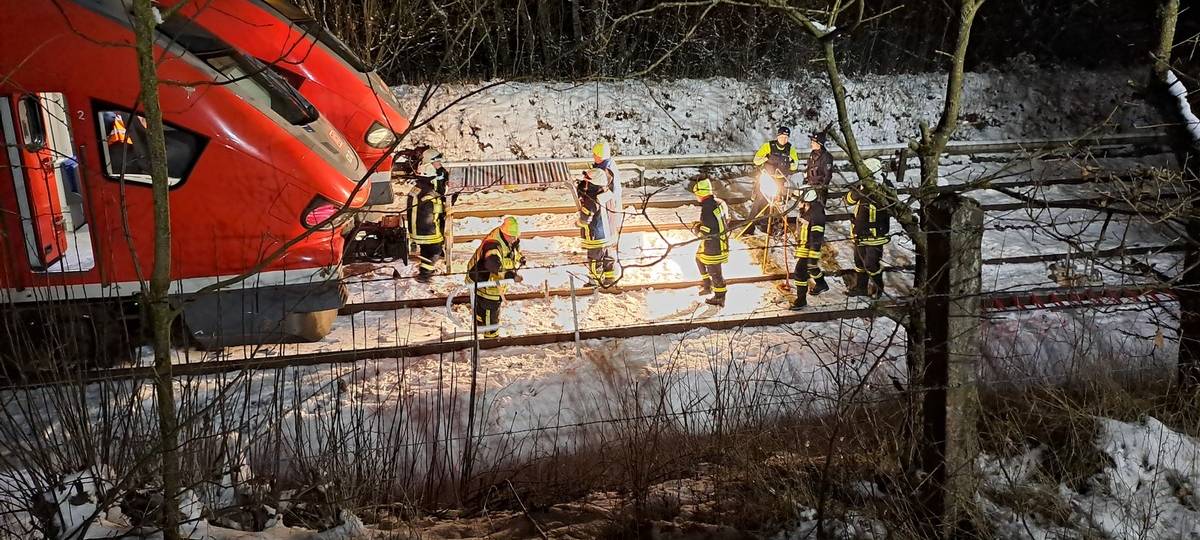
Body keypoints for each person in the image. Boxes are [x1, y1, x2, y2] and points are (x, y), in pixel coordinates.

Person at [465, 216, 525, 338]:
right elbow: (493, 267)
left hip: (493, 283)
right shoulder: (492, 245)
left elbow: (514, 251)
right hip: (484, 281)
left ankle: (481, 324)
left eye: (516, 236)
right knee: (490, 310)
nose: (515, 239)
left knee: (485, 310)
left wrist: (520, 258)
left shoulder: (509, 239)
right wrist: (510, 276)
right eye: (512, 236)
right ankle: (491, 337)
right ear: (504, 233)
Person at [845, 158, 891, 298]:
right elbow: (848, 200)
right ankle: (861, 287)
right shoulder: (862, 185)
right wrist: (859, 191)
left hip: (875, 235)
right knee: (859, 263)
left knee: (871, 265)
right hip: (859, 232)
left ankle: (878, 288)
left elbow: (888, 205)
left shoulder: (885, 187)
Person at [746, 126, 801, 235]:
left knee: (772, 205)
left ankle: (766, 226)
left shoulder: (790, 149)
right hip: (766, 179)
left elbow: (795, 165)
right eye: (782, 137)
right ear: (778, 136)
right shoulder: (768, 146)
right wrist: (766, 158)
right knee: (758, 203)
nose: (784, 139)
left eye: (786, 137)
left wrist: (791, 163)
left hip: (779, 181)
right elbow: (756, 160)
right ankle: (749, 226)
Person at [692, 179, 730, 307]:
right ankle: (707, 284)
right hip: (716, 242)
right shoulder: (717, 203)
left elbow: (707, 231)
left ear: (701, 194)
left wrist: (697, 229)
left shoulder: (707, 209)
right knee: (699, 259)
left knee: (715, 272)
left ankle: (720, 297)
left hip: (713, 246)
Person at [789, 187, 829, 310]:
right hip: (804, 246)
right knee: (810, 269)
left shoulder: (816, 214)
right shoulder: (807, 210)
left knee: (800, 273)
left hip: (810, 247)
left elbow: (816, 236)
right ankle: (821, 284)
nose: (798, 202)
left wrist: (813, 254)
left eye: (799, 200)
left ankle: (801, 300)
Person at [577, 167, 616, 286]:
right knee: (608, 257)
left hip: (596, 236)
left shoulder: (592, 200)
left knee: (594, 260)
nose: (585, 184)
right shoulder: (608, 193)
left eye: (588, 182)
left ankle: (594, 281)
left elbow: (585, 218)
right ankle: (610, 278)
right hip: (608, 234)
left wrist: (579, 223)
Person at [408, 163, 445, 283]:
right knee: (436, 251)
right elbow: (439, 210)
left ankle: (426, 269)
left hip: (414, 231)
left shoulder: (415, 189)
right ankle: (425, 274)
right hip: (428, 233)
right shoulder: (430, 194)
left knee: (426, 250)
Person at [590, 141, 624, 249]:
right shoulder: (605, 164)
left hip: (606, 206)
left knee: (603, 227)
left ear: (600, 156)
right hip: (606, 205)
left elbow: (608, 191)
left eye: (595, 154)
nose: (593, 156)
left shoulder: (606, 170)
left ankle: (602, 249)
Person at [804, 131, 834, 197]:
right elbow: (808, 169)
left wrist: (821, 188)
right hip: (810, 188)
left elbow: (827, 176)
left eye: (813, 142)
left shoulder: (826, 157)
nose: (811, 144)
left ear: (819, 144)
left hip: (820, 190)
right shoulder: (812, 155)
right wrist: (805, 182)